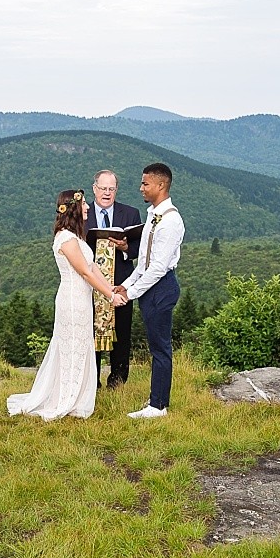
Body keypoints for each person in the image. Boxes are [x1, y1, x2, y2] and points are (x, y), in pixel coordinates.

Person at [7, 190, 125, 420]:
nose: (88, 208)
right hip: (72, 300)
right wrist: (110, 297)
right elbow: (83, 272)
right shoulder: (66, 239)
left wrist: (112, 289)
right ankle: (67, 398)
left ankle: (78, 396)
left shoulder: (76, 237)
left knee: (81, 345)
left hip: (81, 299)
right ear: (73, 208)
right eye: (84, 206)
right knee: (72, 346)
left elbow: (94, 269)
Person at [113, 163, 184, 419]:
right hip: (149, 286)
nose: (141, 188)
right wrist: (127, 284)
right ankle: (157, 399)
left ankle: (158, 405)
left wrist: (129, 295)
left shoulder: (171, 221)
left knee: (160, 348)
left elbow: (157, 269)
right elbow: (143, 261)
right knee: (157, 345)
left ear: (161, 185)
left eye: (145, 183)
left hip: (161, 287)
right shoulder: (153, 216)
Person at [85, 169, 143, 389]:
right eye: (103, 189)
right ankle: (92, 381)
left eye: (111, 189)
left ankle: (118, 381)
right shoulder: (83, 213)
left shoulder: (130, 213)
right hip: (90, 285)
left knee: (122, 332)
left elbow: (141, 249)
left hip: (121, 283)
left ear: (116, 190)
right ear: (94, 189)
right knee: (91, 332)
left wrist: (126, 247)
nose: (107, 193)